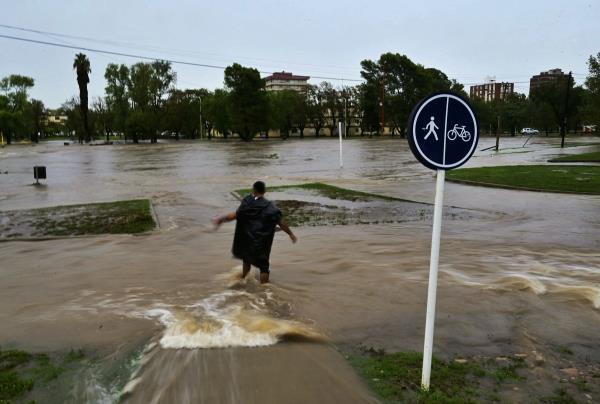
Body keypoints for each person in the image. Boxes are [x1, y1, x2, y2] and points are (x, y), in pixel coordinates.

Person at [213, 181, 297, 284]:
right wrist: (291, 234)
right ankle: (265, 290)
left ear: (254, 190)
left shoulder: (247, 202)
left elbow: (235, 215)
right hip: (261, 241)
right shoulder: (270, 207)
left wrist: (221, 219)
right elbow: (281, 223)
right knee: (264, 267)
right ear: (264, 191)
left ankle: (244, 282)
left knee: (246, 260)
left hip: (247, 239)